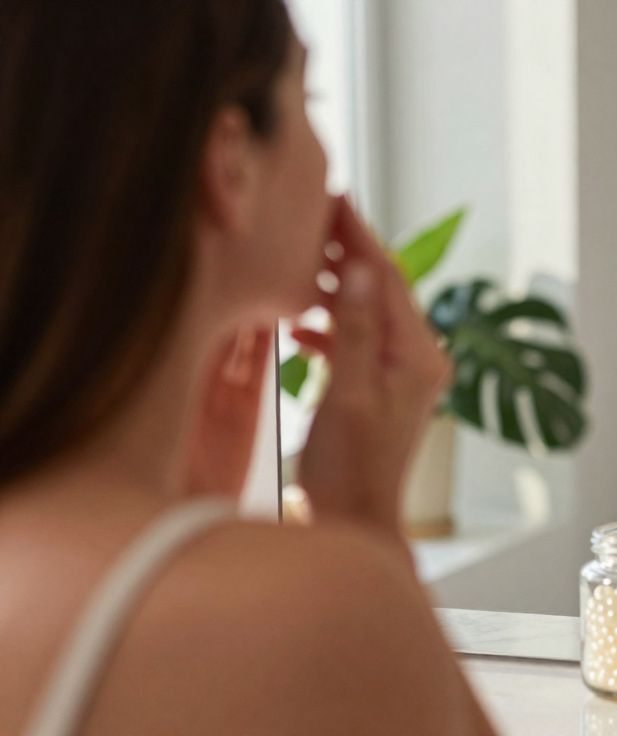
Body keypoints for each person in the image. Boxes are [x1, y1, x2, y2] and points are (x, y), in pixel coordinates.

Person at [0, 1, 495, 733]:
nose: (332, 164)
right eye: (311, 99)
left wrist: (192, 511)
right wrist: (365, 519)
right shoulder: (306, 616)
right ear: (228, 164)